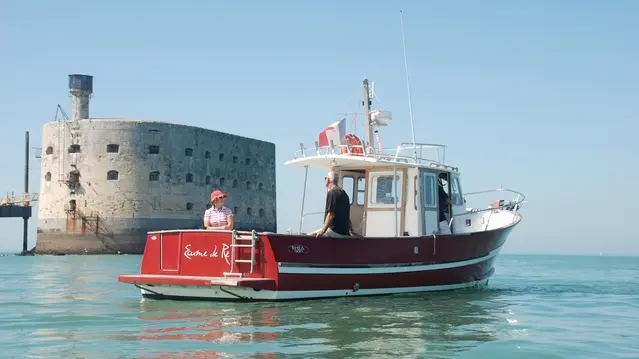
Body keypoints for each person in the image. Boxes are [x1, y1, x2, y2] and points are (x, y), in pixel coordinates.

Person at [309, 171, 359, 238]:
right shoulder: (344, 194)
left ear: (329, 180)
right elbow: (347, 217)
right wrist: (351, 231)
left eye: (325, 178)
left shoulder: (332, 192)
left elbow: (331, 215)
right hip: (344, 233)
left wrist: (323, 231)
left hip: (334, 231)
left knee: (310, 235)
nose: (325, 180)